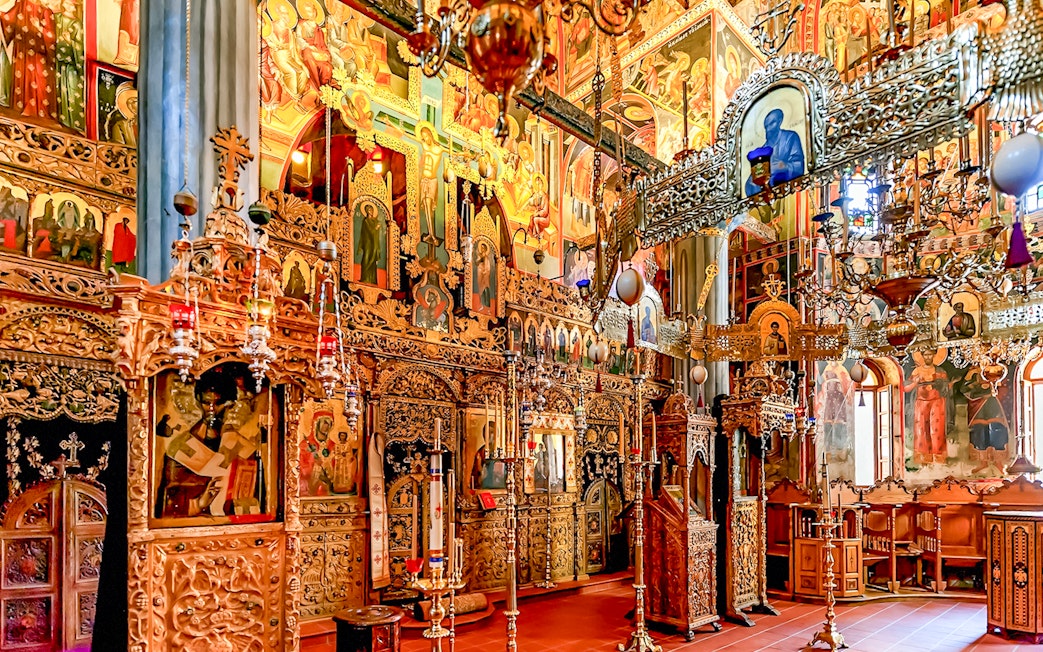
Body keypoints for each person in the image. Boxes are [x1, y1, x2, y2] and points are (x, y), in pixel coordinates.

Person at [155, 373, 236, 518]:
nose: (211, 409)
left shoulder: (236, 443)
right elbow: (170, 498)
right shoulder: (182, 446)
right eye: (206, 402)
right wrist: (199, 503)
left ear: (231, 404)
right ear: (197, 402)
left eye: (218, 403)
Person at [744, 108, 806, 197]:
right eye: (766, 126)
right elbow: (750, 185)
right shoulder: (763, 151)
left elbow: (799, 166)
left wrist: (783, 166)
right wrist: (752, 182)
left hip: (792, 196)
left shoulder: (790, 138)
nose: (768, 129)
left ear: (779, 122)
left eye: (771, 124)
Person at [356, 202, 384, 285]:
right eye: (368, 210)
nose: (370, 211)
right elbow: (371, 231)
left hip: (374, 244)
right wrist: (376, 228)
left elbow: (380, 231)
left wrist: (379, 227)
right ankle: (365, 278)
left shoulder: (375, 221)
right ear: (366, 211)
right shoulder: (366, 221)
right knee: (366, 259)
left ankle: (372, 280)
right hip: (368, 244)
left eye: (371, 210)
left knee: (373, 262)